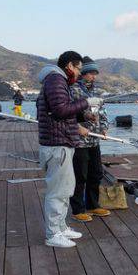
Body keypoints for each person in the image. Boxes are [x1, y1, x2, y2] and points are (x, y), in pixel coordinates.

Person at [37, 51, 103, 248]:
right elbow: (60, 110)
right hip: (58, 146)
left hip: (63, 142)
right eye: (79, 69)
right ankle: (52, 234)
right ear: (69, 66)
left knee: (65, 189)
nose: (79, 73)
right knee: (57, 192)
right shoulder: (56, 79)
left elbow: (60, 114)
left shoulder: (58, 81)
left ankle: (61, 226)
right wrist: (87, 102)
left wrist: (80, 121)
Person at [70, 56, 110, 222]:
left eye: (95, 73)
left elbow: (103, 112)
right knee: (80, 175)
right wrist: (80, 123)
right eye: (91, 73)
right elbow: (69, 112)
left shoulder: (97, 91)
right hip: (79, 141)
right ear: (83, 73)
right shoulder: (73, 89)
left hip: (95, 139)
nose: (94, 76)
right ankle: (78, 209)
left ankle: (93, 205)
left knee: (96, 173)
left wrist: (105, 127)